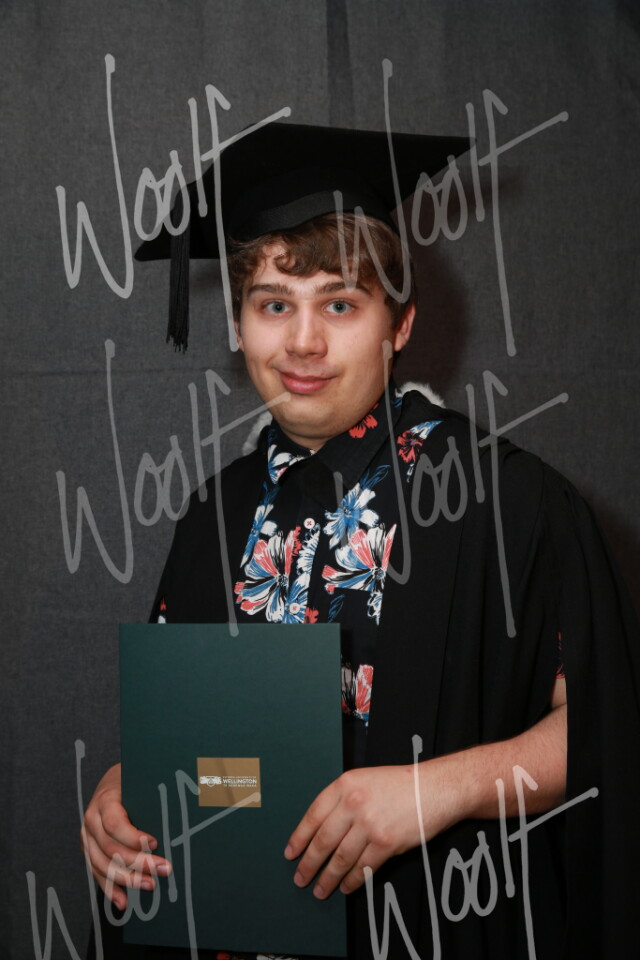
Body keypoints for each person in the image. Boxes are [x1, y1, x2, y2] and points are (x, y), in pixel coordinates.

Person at [83, 123, 640, 960]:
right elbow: (202, 753)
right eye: (274, 304)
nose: (302, 342)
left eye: (340, 304)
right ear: (239, 323)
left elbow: (609, 729)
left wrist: (435, 792)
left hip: (437, 924)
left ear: (401, 323)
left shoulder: (506, 501)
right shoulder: (213, 515)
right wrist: (128, 790)